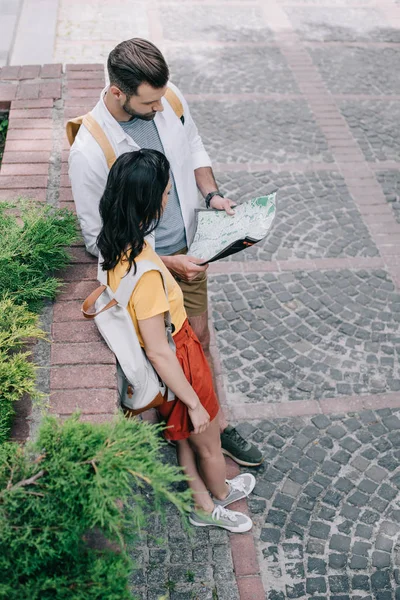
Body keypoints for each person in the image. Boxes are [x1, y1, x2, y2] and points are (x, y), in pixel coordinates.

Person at [69, 38, 263, 467]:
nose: (160, 108)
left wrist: (212, 196)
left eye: (161, 99)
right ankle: (174, 434)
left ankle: (214, 422)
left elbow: (192, 145)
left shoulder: (167, 97)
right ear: (118, 92)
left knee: (199, 341)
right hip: (143, 271)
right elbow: (95, 236)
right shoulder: (88, 151)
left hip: (190, 251)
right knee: (154, 353)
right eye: (149, 102)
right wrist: (164, 262)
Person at [97, 148, 256, 531]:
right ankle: (218, 494)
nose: (170, 198)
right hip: (179, 355)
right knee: (206, 437)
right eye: (167, 193)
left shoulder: (121, 242)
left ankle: (205, 499)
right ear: (151, 203)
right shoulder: (147, 275)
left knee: (183, 437)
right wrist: (194, 402)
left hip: (175, 354)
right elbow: (158, 350)